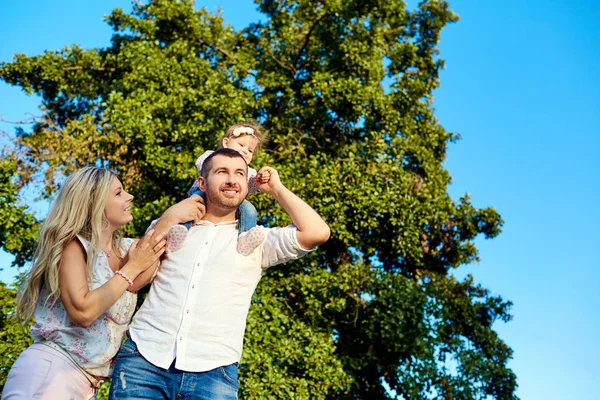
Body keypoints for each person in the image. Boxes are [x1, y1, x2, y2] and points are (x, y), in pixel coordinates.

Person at [109, 148, 331, 399]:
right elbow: (133, 280)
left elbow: (317, 232)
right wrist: (168, 217)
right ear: (202, 182)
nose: (231, 180)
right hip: (144, 360)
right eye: (222, 172)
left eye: (239, 173)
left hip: (214, 372)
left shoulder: (257, 240)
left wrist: (277, 189)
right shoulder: (173, 226)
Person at [1, 166, 203, 399]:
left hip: (89, 386)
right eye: (118, 193)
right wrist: (133, 266)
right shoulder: (73, 246)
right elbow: (83, 311)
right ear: (93, 203)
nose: (130, 197)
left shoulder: (125, 249)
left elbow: (151, 250)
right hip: (52, 371)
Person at [166, 122, 270, 253]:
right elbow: (202, 165)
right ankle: (181, 231)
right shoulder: (212, 156)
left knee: (250, 210)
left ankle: (244, 237)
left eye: (250, 150)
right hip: (203, 193)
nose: (245, 151)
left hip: (232, 200)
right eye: (241, 145)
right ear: (226, 143)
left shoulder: (249, 171)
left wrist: (258, 179)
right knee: (192, 205)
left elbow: (250, 187)